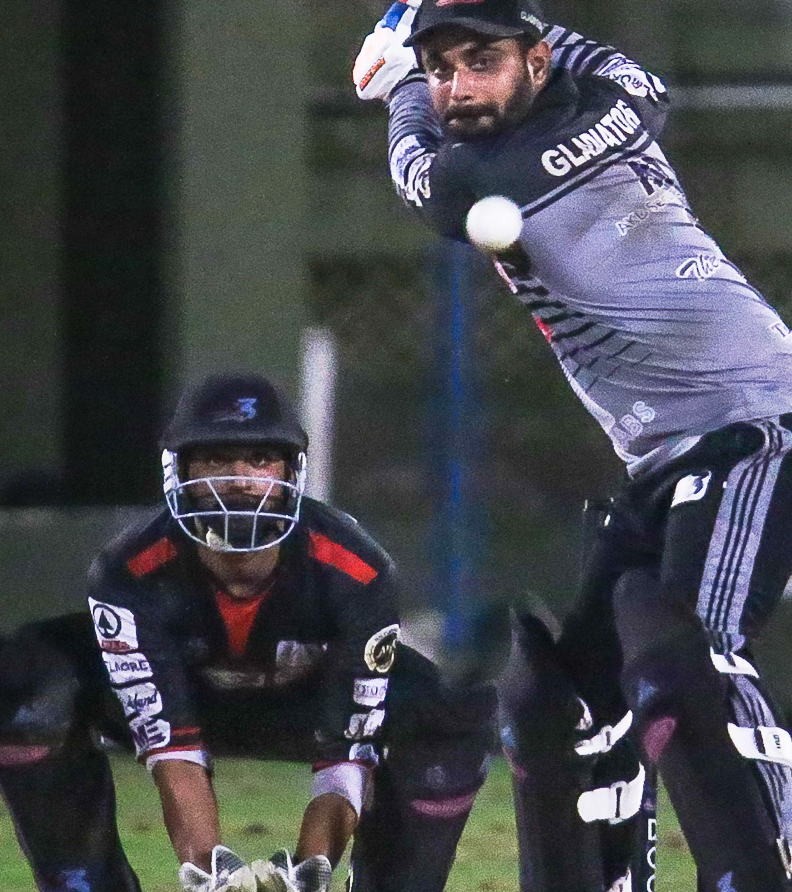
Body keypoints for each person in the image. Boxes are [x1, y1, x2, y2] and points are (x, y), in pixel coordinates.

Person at [352, 0, 792, 892]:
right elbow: (625, 76)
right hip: (667, 457)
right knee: (563, 699)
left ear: (535, 63)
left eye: (483, 61)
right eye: (444, 69)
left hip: (759, 428)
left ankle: (769, 876)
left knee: (692, 654)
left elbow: (433, 189)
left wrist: (398, 85)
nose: (460, 86)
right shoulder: (614, 94)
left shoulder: (506, 164)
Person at [0, 372, 495, 892]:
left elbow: (346, 751)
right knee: (29, 686)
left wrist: (310, 871)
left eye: (260, 460)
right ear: (180, 469)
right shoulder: (129, 571)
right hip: (189, 706)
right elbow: (168, 741)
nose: (239, 479)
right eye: (216, 460)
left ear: (291, 470)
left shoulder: (357, 570)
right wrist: (210, 871)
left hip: (306, 712)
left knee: (448, 715)